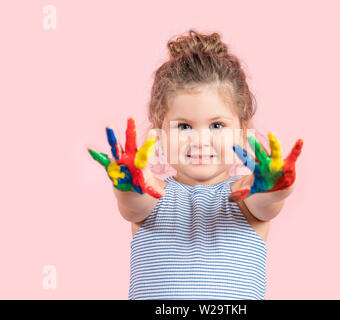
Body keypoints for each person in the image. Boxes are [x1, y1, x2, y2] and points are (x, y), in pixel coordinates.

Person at [89, 29, 302, 299]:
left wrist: (277, 186)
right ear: (160, 134)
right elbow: (134, 197)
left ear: (241, 130)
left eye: (216, 125)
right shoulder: (154, 197)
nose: (201, 140)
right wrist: (129, 182)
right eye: (185, 126)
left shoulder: (246, 200)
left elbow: (268, 198)